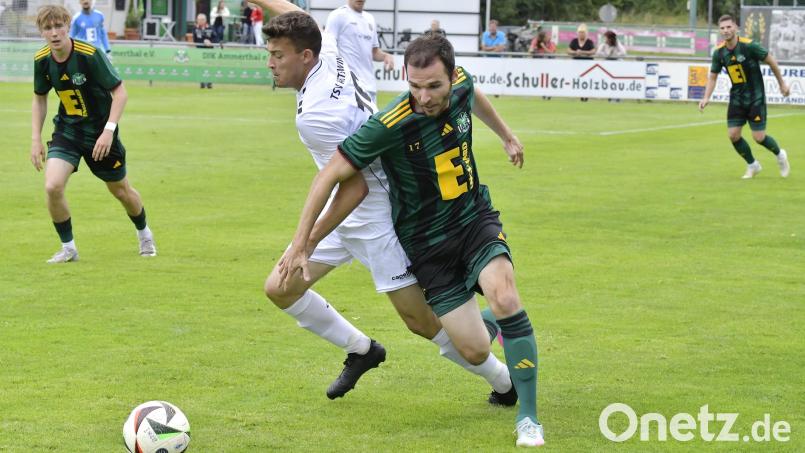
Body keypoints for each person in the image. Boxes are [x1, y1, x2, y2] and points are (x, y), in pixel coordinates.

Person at [279, 33, 545, 448]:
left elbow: (475, 96)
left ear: (451, 76)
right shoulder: (389, 124)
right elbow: (329, 176)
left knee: (505, 296)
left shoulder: (462, 85)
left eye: (434, 86)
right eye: (414, 86)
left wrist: (506, 135)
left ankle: (528, 417)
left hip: (474, 219)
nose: (423, 97)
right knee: (475, 351)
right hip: (428, 246)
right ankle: (488, 328)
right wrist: (301, 243)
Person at [253, 0, 515, 405]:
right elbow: (295, 15)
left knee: (421, 322)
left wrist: (305, 242)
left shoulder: (317, 116)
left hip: (375, 215)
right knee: (280, 288)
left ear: (304, 56)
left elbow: (354, 189)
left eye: (277, 55)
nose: (270, 63)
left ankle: (503, 380)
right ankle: (361, 350)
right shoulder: (327, 47)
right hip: (342, 211)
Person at [31, 5, 156, 263]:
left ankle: (144, 233)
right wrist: (35, 139)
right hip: (68, 131)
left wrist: (108, 131)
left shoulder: (89, 55)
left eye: (58, 26)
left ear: (68, 26)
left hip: (101, 134)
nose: (54, 33)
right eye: (48, 28)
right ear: (41, 32)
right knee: (53, 186)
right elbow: (39, 98)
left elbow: (120, 93)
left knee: (121, 191)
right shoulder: (41, 60)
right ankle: (69, 248)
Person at [699, 14, 791, 179]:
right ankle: (753, 165)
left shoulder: (750, 46)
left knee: (759, 138)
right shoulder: (719, 53)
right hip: (737, 98)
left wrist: (782, 84)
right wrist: (706, 97)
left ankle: (780, 155)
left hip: (756, 97)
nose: (726, 30)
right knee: (733, 135)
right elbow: (712, 77)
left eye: (729, 27)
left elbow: (771, 61)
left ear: (735, 27)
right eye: (722, 28)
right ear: (719, 30)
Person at [325, 0, 394, 103]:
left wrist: (386, 56)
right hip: (348, 87)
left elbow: (374, 52)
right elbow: (328, 47)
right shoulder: (337, 16)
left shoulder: (370, 19)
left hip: (370, 88)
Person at [568, 23, 595, 101]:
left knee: (586, 80)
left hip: (587, 65)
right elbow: (568, 50)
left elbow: (593, 51)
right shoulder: (574, 41)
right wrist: (575, 52)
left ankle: (586, 95)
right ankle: (580, 94)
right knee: (578, 80)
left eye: (583, 33)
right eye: (580, 33)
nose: (581, 35)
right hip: (576, 65)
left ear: (586, 34)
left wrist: (583, 52)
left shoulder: (589, 42)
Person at [193, 13, 218, 88]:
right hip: (200, 51)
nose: (199, 21)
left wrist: (210, 42)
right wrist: (203, 42)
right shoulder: (195, 28)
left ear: (205, 20)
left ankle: (209, 82)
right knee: (201, 67)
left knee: (209, 66)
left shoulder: (210, 28)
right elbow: (195, 40)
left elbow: (216, 38)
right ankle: (202, 82)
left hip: (209, 51)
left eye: (201, 20)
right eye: (198, 20)